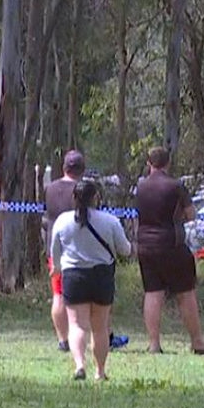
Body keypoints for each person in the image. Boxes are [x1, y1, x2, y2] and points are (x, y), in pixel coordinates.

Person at [133, 147, 204, 355]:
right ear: (168, 163)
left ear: (149, 163)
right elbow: (191, 216)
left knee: (153, 292)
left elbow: (138, 215)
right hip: (172, 244)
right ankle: (197, 342)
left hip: (145, 245)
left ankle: (154, 344)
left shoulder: (140, 187)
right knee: (185, 292)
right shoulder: (176, 186)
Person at [41, 150, 128, 352]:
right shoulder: (83, 190)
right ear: (82, 169)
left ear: (64, 167)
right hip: (81, 248)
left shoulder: (50, 188)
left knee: (59, 295)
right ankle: (105, 335)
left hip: (56, 247)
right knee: (98, 302)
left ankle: (63, 339)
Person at [50, 180, 132, 380]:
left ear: (74, 198)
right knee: (100, 327)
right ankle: (100, 371)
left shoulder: (62, 220)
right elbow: (125, 250)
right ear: (96, 198)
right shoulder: (110, 220)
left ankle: (79, 365)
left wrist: (57, 269)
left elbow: (54, 251)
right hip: (102, 275)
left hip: (74, 276)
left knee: (77, 325)